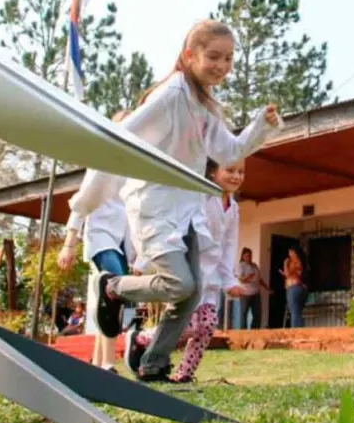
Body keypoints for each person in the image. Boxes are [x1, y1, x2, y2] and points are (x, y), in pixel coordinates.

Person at [69, 20, 283, 382]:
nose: (222, 66)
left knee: (193, 291)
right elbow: (121, 137)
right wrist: (83, 205)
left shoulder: (205, 105)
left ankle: (153, 364)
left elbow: (229, 150)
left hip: (187, 210)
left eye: (229, 59)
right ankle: (113, 287)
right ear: (189, 54)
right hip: (155, 206)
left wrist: (261, 124)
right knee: (180, 284)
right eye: (213, 56)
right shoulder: (170, 95)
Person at [127, 158, 248, 381]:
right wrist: (144, 261)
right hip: (188, 268)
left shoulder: (233, 209)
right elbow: (174, 225)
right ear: (212, 171)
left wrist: (228, 279)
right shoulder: (200, 197)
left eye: (241, 171)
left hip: (211, 276)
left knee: (208, 325)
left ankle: (184, 374)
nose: (236, 176)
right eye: (230, 170)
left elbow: (228, 245)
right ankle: (142, 338)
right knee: (189, 325)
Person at [58, 111, 138, 373]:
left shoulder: (137, 167)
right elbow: (81, 203)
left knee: (102, 300)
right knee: (112, 290)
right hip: (101, 236)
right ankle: (108, 364)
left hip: (124, 243)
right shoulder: (101, 161)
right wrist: (69, 243)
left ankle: (97, 362)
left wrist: (139, 255)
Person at [236, 247, 270, 329]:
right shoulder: (241, 266)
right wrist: (248, 277)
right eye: (247, 256)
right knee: (244, 313)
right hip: (245, 293)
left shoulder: (254, 265)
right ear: (243, 256)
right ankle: (243, 332)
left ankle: (254, 331)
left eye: (250, 255)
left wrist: (267, 288)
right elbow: (241, 280)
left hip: (256, 293)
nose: (249, 257)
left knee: (257, 313)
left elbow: (259, 279)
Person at [281, 247, 307, 327]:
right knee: (297, 311)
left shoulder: (294, 262)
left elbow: (287, 274)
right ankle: (299, 329)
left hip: (293, 288)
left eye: (291, 252)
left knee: (294, 312)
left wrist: (285, 264)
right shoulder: (301, 262)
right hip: (300, 287)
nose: (289, 255)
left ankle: (296, 331)